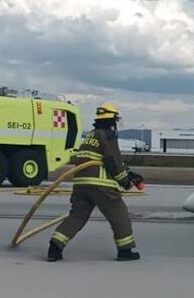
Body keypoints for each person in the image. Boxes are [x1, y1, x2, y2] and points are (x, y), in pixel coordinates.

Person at [48, 104, 143, 262]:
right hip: (100, 185)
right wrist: (126, 181)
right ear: (113, 119)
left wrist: (129, 172)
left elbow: (101, 159)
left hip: (81, 184)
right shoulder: (107, 134)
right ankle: (125, 250)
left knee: (77, 216)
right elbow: (112, 161)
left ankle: (55, 247)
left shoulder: (91, 135)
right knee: (120, 215)